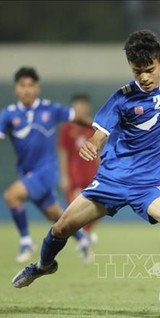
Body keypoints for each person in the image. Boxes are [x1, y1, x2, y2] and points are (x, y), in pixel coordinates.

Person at [11, 30, 160, 309]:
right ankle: (43, 265)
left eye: (149, 70)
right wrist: (92, 145)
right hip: (113, 182)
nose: (143, 77)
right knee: (60, 228)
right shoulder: (122, 98)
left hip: (152, 186)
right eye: (137, 71)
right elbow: (99, 133)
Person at [0, 67, 94, 264]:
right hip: (28, 172)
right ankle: (82, 238)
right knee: (55, 215)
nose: (26, 90)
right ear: (16, 89)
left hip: (47, 171)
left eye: (30, 85)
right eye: (22, 85)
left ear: (37, 88)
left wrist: (100, 130)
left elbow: (77, 117)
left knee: (12, 195)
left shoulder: (50, 109)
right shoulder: (9, 113)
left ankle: (26, 241)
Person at [59, 94, 100, 250]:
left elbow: (98, 152)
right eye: (77, 106)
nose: (80, 109)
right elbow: (63, 153)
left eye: (83, 105)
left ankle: (85, 235)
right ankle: (82, 236)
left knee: (99, 207)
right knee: (75, 208)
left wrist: (102, 170)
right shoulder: (67, 129)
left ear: (88, 107)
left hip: (92, 173)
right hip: (74, 175)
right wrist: (64, 176)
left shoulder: (94, 128)